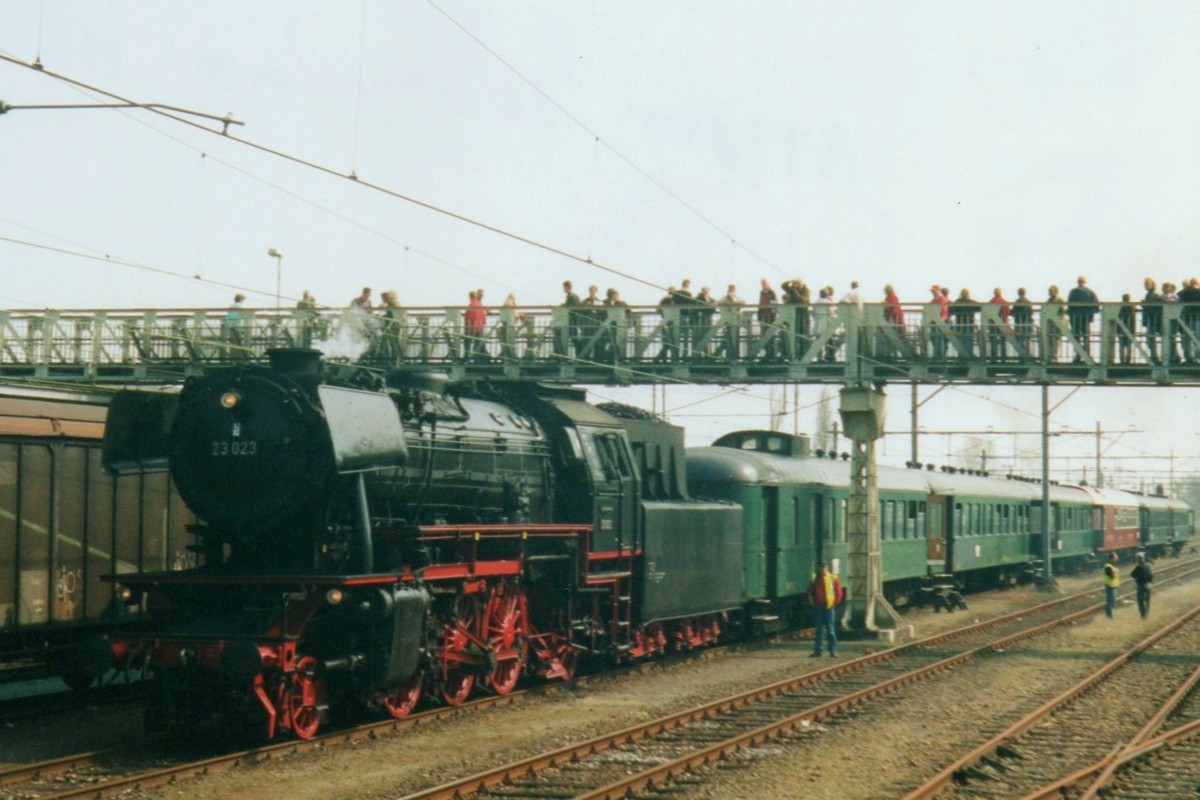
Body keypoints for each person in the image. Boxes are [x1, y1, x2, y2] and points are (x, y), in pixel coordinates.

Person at [806, 560, 844, 657]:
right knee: (819, 630)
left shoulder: (832, 578)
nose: (822, 568)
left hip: (829, 608)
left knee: (831, 630)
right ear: (818, 567)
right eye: (821, 566)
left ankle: (833, 651)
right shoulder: (814, 578)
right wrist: (812, 602)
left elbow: (839, 593)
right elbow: (809, 591)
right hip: (818, 607)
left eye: (824, 567)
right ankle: (818, 651)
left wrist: (834, 603)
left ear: (827, 568)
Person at [1066, 276, 1099, 362]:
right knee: (1086, 336)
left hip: (1075, 318)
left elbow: (1069, 305)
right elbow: (1096, 306)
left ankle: (1078, 356)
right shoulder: (1090, 292)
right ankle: (1087, 354)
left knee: (1077, 337)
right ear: (1085, 282)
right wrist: (1091, 313)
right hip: (1086, 318)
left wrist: (1071, 314)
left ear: (1078, 282)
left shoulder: (1073, 292)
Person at [987, 287, 1011, 361]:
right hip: (1002, 323)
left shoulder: (991, 302)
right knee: (1002, 340)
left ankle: (993, 358)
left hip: (993, 324)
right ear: (1001, 293)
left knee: (993, 341)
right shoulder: (1004, 301)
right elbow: (1008, 312)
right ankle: (1003, 357)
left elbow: (988, 312)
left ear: (994, 293)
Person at [1044, 285, 1067, 362]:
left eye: (1051, 291)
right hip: (1050, 323)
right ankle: (1050, 356)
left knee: (1056, 340)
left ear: (1056, 291)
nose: (1049, 292)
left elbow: (1063, 310)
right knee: (1050, 340)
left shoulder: (1060, 300)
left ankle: (1054, 357)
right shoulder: (1048, 301)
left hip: (1058, 323)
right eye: (1049, 291)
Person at [1142, 277, 1162, 365]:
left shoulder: (1153, 294)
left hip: (1153, 319)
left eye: (1147, 283)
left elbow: (1152, 307)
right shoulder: (1151, 294)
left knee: (1150, 338)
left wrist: (1144, 305)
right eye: (1145, 283)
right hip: (1153, 319)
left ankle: (1154, 356)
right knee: (1151, 338)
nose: (1146, 285)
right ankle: (1155, 356)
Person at [757, 279, 779, 361]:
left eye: (764, 283)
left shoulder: (771, 292)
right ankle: (767, 353)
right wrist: (759, 315)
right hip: (763, 316)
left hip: (770, 316)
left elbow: (774, 304)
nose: (763, 285)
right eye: (762, 284)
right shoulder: (762, 292)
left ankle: (772, 354)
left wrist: (774, 315)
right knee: (764, 335)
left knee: (771, 335)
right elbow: (760, 303)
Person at [928, 284, 950, 360]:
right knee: (935, 338)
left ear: (938, 291)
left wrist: (940, 321)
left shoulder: (941, 299)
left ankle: (940, 356)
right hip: (935, 322)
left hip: (939, 322)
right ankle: (937, 355)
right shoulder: (935, 299)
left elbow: (943, 311)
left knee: (940, 339)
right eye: (932, 291)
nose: (932, 292)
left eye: (933, 291)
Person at [1011, 287, 1033, 360]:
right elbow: (1031, 312)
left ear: (1018, 293)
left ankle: (1022, 354)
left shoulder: (1017, 302)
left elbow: (1012, 312)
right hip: (1027, 323)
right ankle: (1027, 354)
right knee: (1026, 339)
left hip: (1019, 323)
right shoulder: (1028, 302)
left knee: (1019, 339)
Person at [1130, 553, 1152, 619]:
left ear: (1138, 559)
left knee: (1140, 601)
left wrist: (1138, 577)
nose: (1136, 559)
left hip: (1141, 585)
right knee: (1147, 600)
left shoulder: (1138, 567)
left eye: (1137, 558)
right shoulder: (1147, 565)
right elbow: (1151, 575)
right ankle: (1147, 614)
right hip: (1148, 585)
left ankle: (1143, 616)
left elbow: (1132, 574)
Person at [1117, 293, 1135, 365]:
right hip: (1129, 328)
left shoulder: (1121, 307)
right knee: (1128, 345)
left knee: (1121, 344)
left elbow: (1118, 317)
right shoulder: (1131, 307)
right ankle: (1128, 360)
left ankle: (1122, 359)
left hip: (1121, 328)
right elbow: (1133, 319)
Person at [1102, 552, 1119, 619]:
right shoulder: (1108, 567)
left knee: (1112, 601)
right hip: (1110, 587)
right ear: (1112, 558)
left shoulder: (1111, 567)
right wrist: (1116, 571)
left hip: (1113, 586)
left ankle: (1109, 615)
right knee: (1110, 601)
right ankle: (1109, 616)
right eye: (1116, 558)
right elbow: (1112, 577)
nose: (1117, 559)